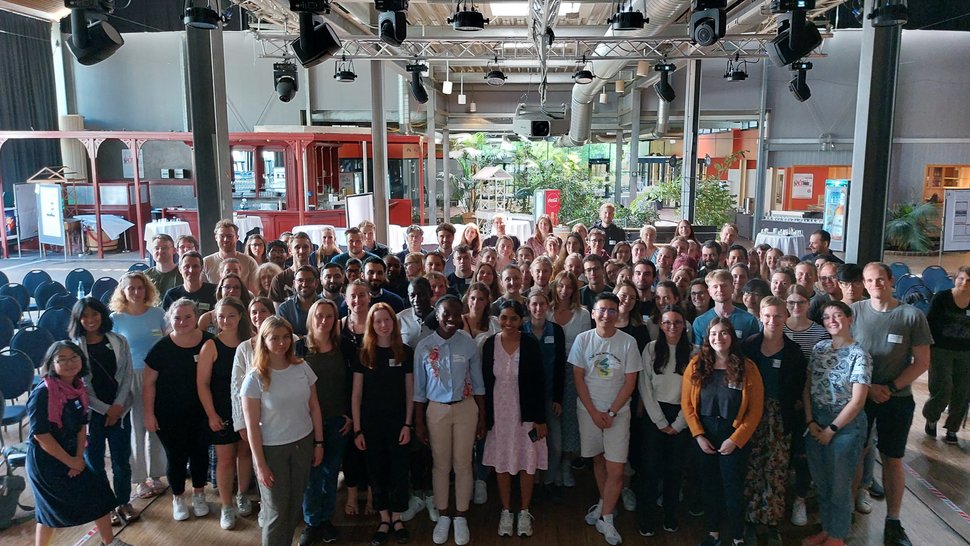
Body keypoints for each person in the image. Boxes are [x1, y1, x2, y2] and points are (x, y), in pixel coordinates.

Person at [850, 262, 933, 546]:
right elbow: (846, 354)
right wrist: (867, 388)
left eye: (880, 279)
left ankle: (894, 521)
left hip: (896, 399)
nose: (876, 285)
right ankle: (847, 512)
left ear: (891, 280)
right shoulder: (855, 312)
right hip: (860, 397)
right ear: (863, 283)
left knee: (892, 459)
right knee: (857, 454)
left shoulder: (911, 317)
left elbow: (922, 362)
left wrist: (889, 387)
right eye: (870, 280)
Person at [27, 342, 132, 546]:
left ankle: (109, 542)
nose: (69, 363)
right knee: (49, 512)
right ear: (51, 364)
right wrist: (71, 462)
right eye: (62, 359)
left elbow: (81, 427)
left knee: (100, 494)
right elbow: (41, 436)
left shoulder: (77, 387)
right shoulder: (43, 393)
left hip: (71, 455)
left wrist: (78, 459)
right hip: (46, 461)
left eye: (74, 357)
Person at [242, 316, 325, 546]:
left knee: (294, 504)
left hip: (303, 443)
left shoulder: (302, 366)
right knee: (276, 510)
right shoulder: (254, 378)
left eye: (286, 337)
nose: (281, 343)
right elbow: (252, 426)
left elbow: (314, 407)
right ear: (264, 340)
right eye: (275, 338)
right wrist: (260, 465)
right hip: (273, 450)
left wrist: (319, 443)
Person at [682, 318, 764, 546]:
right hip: (705, 434)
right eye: (714, 334)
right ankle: (713, 533)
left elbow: (755, 409)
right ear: (708, 337)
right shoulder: (696, 364)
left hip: (733, 434)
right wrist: (698, 435)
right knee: (709, 487)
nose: (719, 338)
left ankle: (738, 537)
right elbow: (687, 405)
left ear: (732, 337)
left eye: (724, 333)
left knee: (733, 489)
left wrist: (736, 440)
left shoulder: (748, 367)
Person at [413, 295, 486, 546]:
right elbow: (419, 390)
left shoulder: (468, 345)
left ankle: (461, 516)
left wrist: (482, 418)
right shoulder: (424, 346)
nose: (452, 319)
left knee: (464, 464)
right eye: (447, 314)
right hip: (436, 411)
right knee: (441, 465)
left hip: (466, 410)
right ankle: (444, 514)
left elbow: (478, 384)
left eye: (457, 313)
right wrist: (419, 422)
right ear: (437, 313)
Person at [571, 293, 642, 546]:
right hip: (589, 411)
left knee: (617, 469)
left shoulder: (628, 342)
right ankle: (604, 506)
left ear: (618, 313)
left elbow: (631, 381)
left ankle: (607, 517)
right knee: (598, 460)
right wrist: (593, 412)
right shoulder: (583, 340)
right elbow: (578, 377)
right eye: (602, 310)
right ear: (593, 313)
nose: (606, 315)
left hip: (618, 414)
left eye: (612, 310)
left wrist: (611, 412)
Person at [802, 300, 871, 546]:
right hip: (817, 419)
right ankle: (828, 528)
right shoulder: (819, 348)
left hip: (845, 425)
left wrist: (832, 429)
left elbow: (858, 401)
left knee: (840, 485)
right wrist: (810, 420)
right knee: (821, 483)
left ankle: (838, 536)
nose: (832, 320)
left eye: (838, 315)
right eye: (827, 317)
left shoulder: (859, 353)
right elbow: (808, 387)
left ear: (849, 319)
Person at [739, 297, 807, 545]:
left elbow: (799, 389)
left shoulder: (794, 352)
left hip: (781, 418)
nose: (772, 321)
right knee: (751, 466)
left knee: (776, 469)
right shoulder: (747, 347)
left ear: (786, 318)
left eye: (778, 316)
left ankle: (771, 521)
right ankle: (749, 519)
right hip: (751, 415)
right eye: (767, 316)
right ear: (760, 317)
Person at [481, 300, 548, 537]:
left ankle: (524, 511)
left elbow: (540, 383)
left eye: (514, 319)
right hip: (499, 414)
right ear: (498, 319)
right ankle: (507, 511)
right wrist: (484, 417)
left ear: (522, 321)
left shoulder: (529, 344)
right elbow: (485, 384)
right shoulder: (490, 344)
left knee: (526, 463)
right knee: (502, 462)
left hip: (526, 415)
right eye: (504, 318)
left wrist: (540, 418)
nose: (508, 323)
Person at [143, 298, 212, 521]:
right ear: (170, 320)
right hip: (169, 414)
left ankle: (200, 494)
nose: (182, 321)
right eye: (177, 318)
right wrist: (149, 413)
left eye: (187, 317)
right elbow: (149, 383)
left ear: (196, 317)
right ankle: (178, 497)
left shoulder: (209, 342)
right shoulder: (160, 348)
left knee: (200, 454)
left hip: (202, 413)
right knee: (176, 456)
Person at [352, 303, 415, 545]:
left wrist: (408, 424)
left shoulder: (405, 352)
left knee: (399, 471)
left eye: (387, 320)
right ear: (372, 325)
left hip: (398, 423)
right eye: (378, 321)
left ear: (394, 322)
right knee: (376, 472)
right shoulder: (363, 353)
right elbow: (356, 395)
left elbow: (410, 392)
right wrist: (357, 429)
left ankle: (397, 518)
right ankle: (384, 518)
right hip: (370, 425)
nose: (383, 325)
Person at [70, 297, 137, 525]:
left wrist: (117, 407)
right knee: (95, 462)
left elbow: (127, 375)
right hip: (91, 415)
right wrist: (106, 409)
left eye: (94, 314)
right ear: (78, 319)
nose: (90, 319)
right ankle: (103, 507)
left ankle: (123, 502)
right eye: (85, 316)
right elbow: (80, 385)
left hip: (120, 412)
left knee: (121, 461)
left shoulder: (118, 340)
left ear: (102, 315)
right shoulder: (73, 347)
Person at [636, 305, 696, 536]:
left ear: (684, 325)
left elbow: (693, 392)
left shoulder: (694, 351)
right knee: (650, 469)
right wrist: (660, 421)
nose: (672, 326)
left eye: (677, 322)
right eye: (667, 322)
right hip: (655, 414)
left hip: (682, 415)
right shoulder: (651, 349)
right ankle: (647, 516)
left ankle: (670, 515)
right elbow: (645, 385)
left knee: (675, 469)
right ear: (660, 324)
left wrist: (680, 422)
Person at [109, 272, 168, 501]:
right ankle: (140, 480)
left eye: (139, 288)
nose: (135, 292)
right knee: (136, 428)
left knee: (155, 426)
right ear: (123, 292)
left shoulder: (158, 314)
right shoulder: (116, 319)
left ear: (147, 290)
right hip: (130, 377)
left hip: (156, 377)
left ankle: (156, 475)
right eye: (130, 288)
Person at [299, 299, 354, 545]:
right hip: (305, 422)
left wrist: (350, 415)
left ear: (335, 320)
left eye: (329, 316)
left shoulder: (344, 347)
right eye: (319, 315)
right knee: (312, 475)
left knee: (331, 473)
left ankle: (326, 519)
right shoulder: (299, 348)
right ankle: (311, 522)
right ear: (311, 317)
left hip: (337, 421)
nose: (324, 320)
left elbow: (354, 384)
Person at [196, 297, 254, 530]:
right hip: (222, 410)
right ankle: (227, 505)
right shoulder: (211, 345)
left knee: (245, 453)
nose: (226, 320)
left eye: (231, 315)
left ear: (240, 316)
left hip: (247, 409)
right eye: (221, 316)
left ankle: (242, 494)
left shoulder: (250, 343)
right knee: (225, 459)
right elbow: (202, 383)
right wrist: (211, 414)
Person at [783, 285, 831, 525]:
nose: (795, 307)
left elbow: (820, 372)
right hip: (782, 402)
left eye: (800, 302)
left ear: (807, 303)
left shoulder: (820, 333)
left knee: (804, 454)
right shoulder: (777, 326)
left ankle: (800, 499)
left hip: (808, 402)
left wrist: (805, 401)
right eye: (791, 302)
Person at [549, 271, 592, 488]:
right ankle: (551, 466)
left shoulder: (583, 314)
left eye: (569, 287)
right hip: (550, 370)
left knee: (570, 419)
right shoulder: (546, 311)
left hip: (574, 370)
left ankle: (566, 464)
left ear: (575, 290)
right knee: (552, 418)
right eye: (560, 286)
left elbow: (585, 348)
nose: (564, 291)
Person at [523, 291, 566, 499]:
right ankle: (529, 484)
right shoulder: (521, 330)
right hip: (525, 399)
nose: (538, 308)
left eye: (542, 304)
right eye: (534, 304)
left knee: (555, 445)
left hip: (549, 397)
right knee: (528, 444)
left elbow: (560, 367)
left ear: (548, 306)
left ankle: (548, 481)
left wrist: (558, 398)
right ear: (528, 306)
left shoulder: (556, 331)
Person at [923, 266, 970, 444]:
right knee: (943, 388)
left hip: (966, 352)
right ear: (954, 279)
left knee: (962, 392)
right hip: (941, 350)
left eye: (969, 280)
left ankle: (952, 429)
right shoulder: (942, 298)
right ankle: (931, 417)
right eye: (961, 279)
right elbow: (930, 324)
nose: (964, 283)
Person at [693, 270, 761, 346]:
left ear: (732, 288)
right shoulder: (699, 322)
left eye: (724, 285)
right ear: (709, 292)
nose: (720, 290)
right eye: (715, 287)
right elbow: (698, 353)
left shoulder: (750, 320)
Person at [203, 219, 260, 289]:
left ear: (237, 238)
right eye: (222, 236)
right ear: (216, 238)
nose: (226, 239)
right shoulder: (206, 262)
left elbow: (254, 292)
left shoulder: (249, 262)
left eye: (229, 236)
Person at [269, 232, 316, 305]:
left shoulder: (319, 276)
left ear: (311, 249)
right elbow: (277, 314)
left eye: (305, 247)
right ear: (290, 251)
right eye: (297, 247)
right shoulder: (279, 280)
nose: (301, 251)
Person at [277, 266, 322, 337]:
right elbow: (285, 336)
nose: (304, 284)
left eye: (309, 280)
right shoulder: (284, 309)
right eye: (300, 280)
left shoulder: (326, 306)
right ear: (294, 284)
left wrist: (299, 337)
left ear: (316, 283)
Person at [399, 277, 435, 348]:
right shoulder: (399, 319)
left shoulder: (441, 319)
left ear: (431, 294)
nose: (416, 300)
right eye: (412, 296)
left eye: (421, 295)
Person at [462, 282, 500, 347]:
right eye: (472, 298)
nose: (476, 303)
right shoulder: (459, 321)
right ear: (467, 299)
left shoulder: (493, 323)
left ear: (486, 302)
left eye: (481, 299)